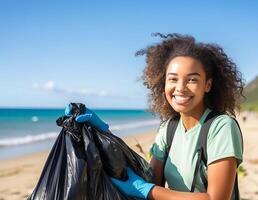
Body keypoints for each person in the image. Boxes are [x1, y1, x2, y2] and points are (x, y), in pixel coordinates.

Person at [66, 33, 245, 200]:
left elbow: (216, 198)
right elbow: (149, 178)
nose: (180, 87)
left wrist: (148, 191)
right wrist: (101, 133)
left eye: (192, 79)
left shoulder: (221, 127)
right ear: (164, 82)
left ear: (207, 85)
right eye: (173, 79)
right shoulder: (169, 129)